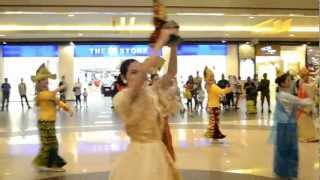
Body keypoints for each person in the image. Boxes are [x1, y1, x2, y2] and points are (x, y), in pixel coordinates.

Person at [109, 29, 180, 180]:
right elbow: (142, 77)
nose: (139, 75)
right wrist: (160, 41)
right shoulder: (124, 97)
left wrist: (173, 46)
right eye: (133, 72)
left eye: (139, 71)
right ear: (123, 77)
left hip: (158, 152)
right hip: (140, 154)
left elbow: (171, 73)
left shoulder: (151, 91)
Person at [31, 64, 73, 172]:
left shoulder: (48, 94)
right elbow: (48, 96)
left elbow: (58, 102)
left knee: (48, 143)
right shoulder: (41, 95)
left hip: (48, 122)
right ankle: (51, 165)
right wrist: (60, 88)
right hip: (45, 122)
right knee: (51, 143)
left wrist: (68, 109)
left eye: (47, 79)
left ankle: (43, 163)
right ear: (39, 82)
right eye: (44, 79)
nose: (47, 81)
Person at [271, 72, 312, 179]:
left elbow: (294, 105)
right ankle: (289, 173)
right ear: (283, 83)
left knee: (282, 149)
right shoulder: (286, 96)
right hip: (288, 127)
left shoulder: (281, 94)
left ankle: (281, 171)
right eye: (288, 80)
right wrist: (312, 94)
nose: (291, 82)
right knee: (290, 150)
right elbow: (303, 102)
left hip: (283, 125)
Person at [204, 68, 231, 139]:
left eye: (213, 76)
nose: (212, 78)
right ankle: (214, 134)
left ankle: (216, 133)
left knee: (214, 121)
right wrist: (229, 89)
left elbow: (219, 93)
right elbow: (221, 92)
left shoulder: (209, 86)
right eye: (211, 77)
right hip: (214, 106)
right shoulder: (212, 86)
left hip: (212, 105)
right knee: (215, 121)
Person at [296, 68, 319, 142]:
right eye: (305, 76)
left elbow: (312, 90)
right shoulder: (302, 83)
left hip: (306, 104)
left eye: (307, 75)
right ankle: (307, 137)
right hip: (304, 105)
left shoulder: (304, 83)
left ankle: (310, 136)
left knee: (308, 121)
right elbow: (310, 89)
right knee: (304, 121)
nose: (307, 77)